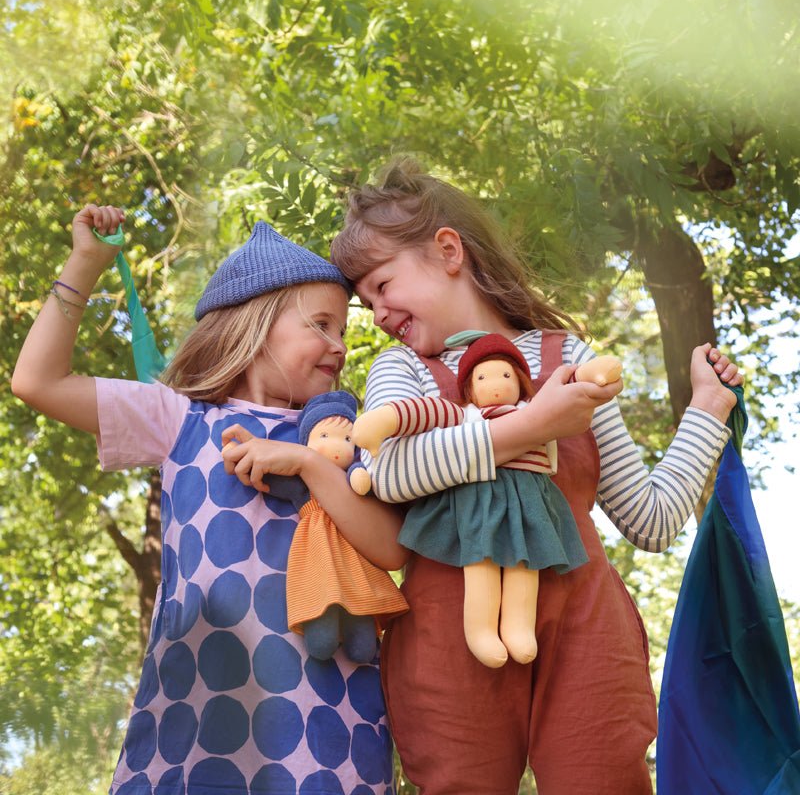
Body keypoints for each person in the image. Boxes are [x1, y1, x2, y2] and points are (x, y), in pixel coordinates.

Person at [329, 158, 743, 795]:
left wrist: (708, 410)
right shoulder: (400, 372)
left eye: (382, 285)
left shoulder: (568, 358)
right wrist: (527, 427)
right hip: (448, 637)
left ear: (447, 251)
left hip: (586, 630)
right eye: (364, 303)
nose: (377, 313)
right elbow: (388, 473)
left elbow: (652, 520)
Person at [12, 205, 407, 795]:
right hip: (195, 716)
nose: (340, 347)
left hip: (328, 721)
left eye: (344, 332)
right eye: (321, 325)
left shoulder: (346, 441)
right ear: (255, 323)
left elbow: (390, 549)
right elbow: (36, 382)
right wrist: (86, 263)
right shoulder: (180, 420)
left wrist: (305, 463)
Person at [353, 331, 592, 668]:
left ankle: (519, 629)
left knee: (526, 565)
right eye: (482, 377)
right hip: (481, 508)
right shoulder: (467, 415)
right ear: (469, 387)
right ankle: (480, 631)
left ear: (521, 381)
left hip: (530, 507)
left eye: (505, 375)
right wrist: (383, 421)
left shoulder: (543, 394)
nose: (495, 384)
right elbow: (423, 412)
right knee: (481, 563)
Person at [228, 390, 408, 664]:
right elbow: (272, 479)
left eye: (347, 439)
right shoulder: (301, 486)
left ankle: (360, 634)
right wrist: (244, 456)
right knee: (319, 612)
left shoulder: (355, 478)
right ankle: (323, 630)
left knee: (361, 633)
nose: (337, 447)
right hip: (317, 553)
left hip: (355, 561)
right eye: (324, 436)